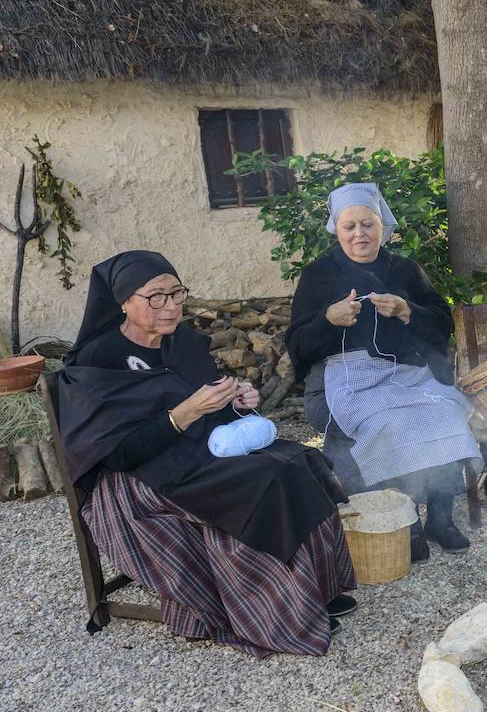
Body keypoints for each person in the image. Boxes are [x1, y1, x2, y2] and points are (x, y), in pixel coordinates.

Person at [58, 250, 356, 658]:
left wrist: (237, 401)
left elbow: (209, 399)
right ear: (124, 302)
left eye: (177, 293)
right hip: (138, 474)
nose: (171, 306)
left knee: (298, 461)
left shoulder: (183, 341)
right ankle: (278, 614)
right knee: (257, 484)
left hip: (199, 446)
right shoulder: (96, 362)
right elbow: (117, 453)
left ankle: (315, 589)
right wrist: (185, 413)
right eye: (156, 297)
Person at [286, 182, 481, 561]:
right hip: (345, 380)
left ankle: (440, 518)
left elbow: (442, 325)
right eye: (349, 227)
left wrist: (408, 311)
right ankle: (403, 523)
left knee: (446, 411)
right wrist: (328, 319)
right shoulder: (318, 275)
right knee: (387, 426)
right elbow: (297, 344)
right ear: (336, 230)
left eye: (367, 224)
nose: (359, 234)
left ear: (382, 226)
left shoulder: (405, 269)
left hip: (405, 376)